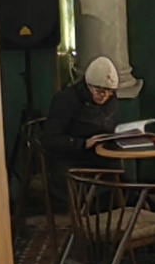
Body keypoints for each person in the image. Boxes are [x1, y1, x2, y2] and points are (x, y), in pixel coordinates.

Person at [44, 55, 134, 198]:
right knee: (112, 194)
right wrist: (82, 143)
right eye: (99, 90)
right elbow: (50, 139)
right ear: (88, 85)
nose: (104, 95)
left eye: (109, 91)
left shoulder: (110, 100)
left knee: (128, 190)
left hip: (102, 160)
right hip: (72, 164)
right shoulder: (66, 100)